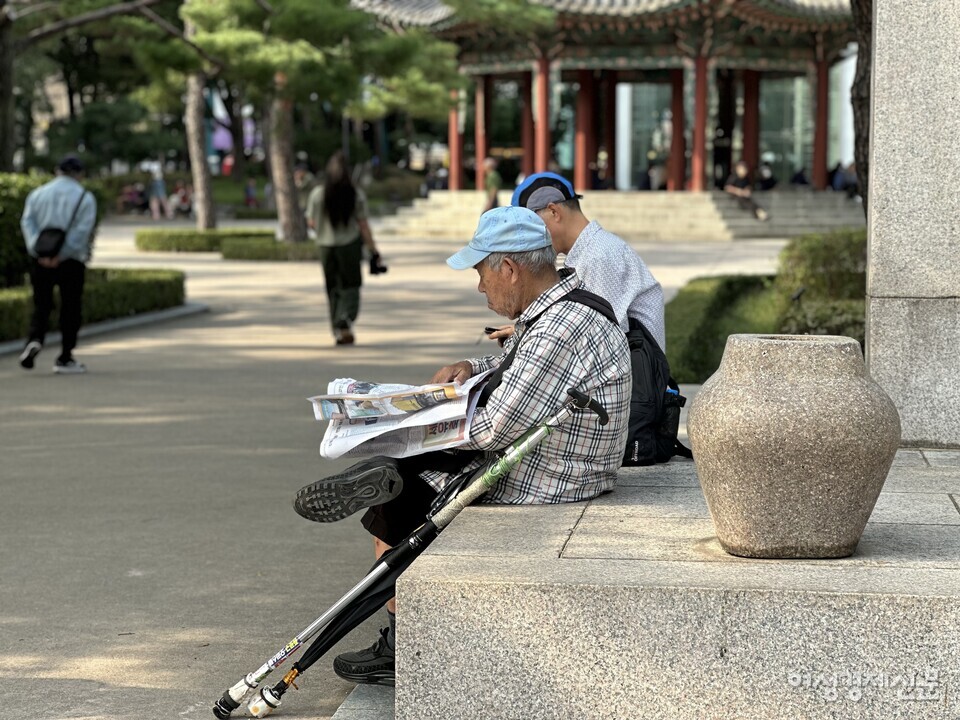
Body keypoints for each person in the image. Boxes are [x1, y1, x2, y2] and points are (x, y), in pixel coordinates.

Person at [295, 205, 631, 685]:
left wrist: (414, 424)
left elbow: (493, 428)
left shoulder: (559, 328)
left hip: (552, 479)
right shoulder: (565, 307)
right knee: (398, 467)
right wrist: (474, 367)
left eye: (481, 273)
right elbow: (525, 367)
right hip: (561, 458)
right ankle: (387, 475)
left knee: (400, 485)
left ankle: (402, 643)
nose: (480, 287)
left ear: (509, 270)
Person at [508, 171, 665, 351]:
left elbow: (600, 339)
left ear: (554, 212)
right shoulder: (589, 252)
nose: (529, 239)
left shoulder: (599, 257)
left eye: (531, 226)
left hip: (633, 375)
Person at [18, 155, 97, 374]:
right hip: (71, 261)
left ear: (57, 171)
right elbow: (82, 232)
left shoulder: (38, 194)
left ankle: (35, 339)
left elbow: (27, 222)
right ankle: (65, 356)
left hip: (40, 258)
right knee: (70, 306)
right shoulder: (85, 197)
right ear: (79, 174)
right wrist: (61, 254)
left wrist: (38, 250)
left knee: (41, 304)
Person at [305, 152, 382, 345]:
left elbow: (312, 222)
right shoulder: (355, 194)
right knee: (351, 285)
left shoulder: (317, 194)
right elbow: (363, 225)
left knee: (332, 288)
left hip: (325, 246)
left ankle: (337, 328)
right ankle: (345, 318)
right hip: (349, 245)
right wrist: (373, 250)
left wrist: (324, 230)